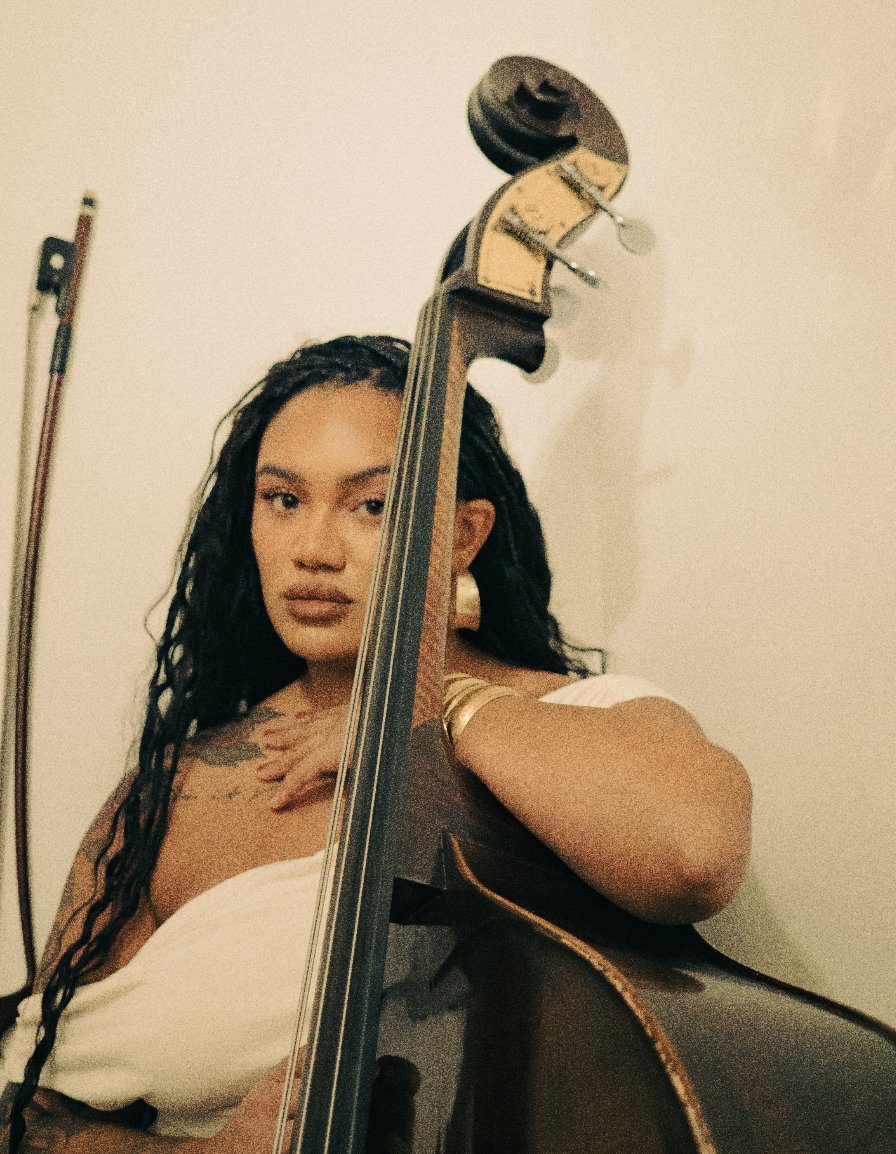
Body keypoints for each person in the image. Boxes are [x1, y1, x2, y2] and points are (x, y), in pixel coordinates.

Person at [0, 335, 752, 1152]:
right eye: (282, 499)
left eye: (373, 506)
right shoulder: (174, 790)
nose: (313, 549)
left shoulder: (583, 717)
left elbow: (694, 856)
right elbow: (25, 1109)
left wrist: (426, 713)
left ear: (462, 536)